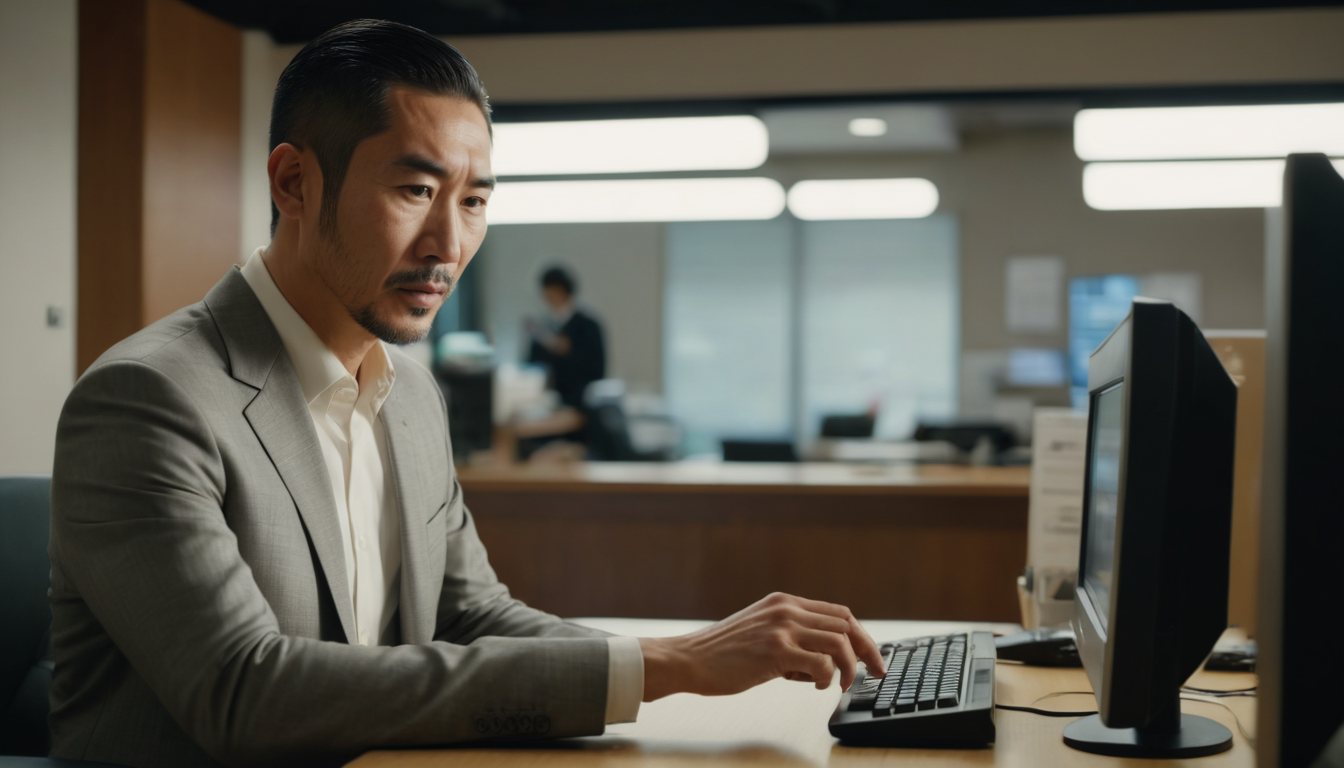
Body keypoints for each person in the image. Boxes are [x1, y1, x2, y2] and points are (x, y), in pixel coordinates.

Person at [48, 20, 882, 768]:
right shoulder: (149, 398)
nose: (449, 244)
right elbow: (242, 691)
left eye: (474, 201)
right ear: (293, 184)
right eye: (415, 191)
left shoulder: (409, 388)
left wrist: (684, 662)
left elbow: (471, 614)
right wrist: (670, 665)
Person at [525, 266, 606, 409]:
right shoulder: (544, 328)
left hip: (579, 405)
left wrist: (566, 351)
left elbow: (596, 371)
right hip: (547, 404)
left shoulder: (587, 326)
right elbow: (531, 367)